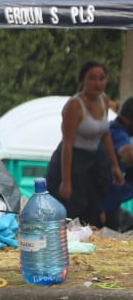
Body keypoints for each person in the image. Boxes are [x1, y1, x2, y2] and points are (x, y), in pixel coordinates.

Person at [45, 60, 124, 227]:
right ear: (83, 81)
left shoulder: (103, 100)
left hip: (93, 160)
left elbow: (105, 135)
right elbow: (68, 143)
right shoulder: (74, 106)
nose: (98, 83)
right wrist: (66, 181)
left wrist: (115, 166)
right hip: (71, 161)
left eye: (102, 78)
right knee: (73, 208)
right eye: (92, 78)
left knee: (95, 212)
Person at [103, 96, 133, 230]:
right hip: (103, 202)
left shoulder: (110, 128)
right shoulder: (117, 131)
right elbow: (128, 153)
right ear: (128, 119)